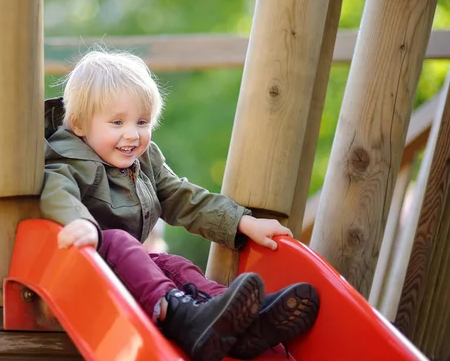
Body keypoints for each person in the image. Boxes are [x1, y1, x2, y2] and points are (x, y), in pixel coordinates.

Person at [40, 49, 319, 360]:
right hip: (86, 276)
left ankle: (238, 319)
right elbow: (56, 191)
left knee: (172, 263)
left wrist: (242, 221)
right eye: (117, 122)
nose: (132, 134)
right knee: (118, 240)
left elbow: (182, 196)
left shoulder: (143, 161)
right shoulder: (66, 158)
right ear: (79, 125)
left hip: (124, 272)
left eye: (142, 121)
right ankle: (176, 313)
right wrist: (81, 223)